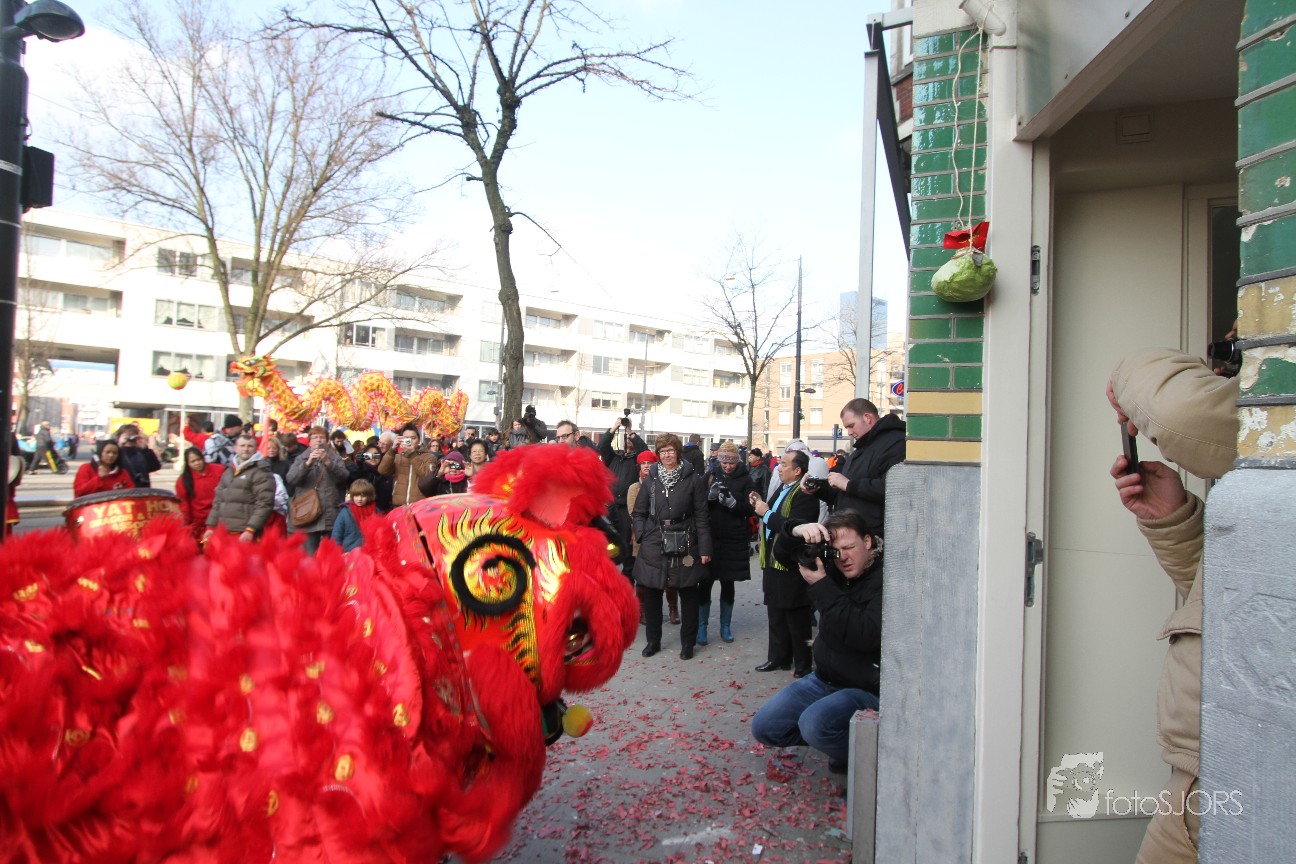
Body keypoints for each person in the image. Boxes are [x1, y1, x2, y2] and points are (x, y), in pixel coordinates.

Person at [1107, 347, 1237, 864]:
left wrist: (1127, 373)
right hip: (1201, 780)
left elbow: (1181, 413)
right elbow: (1228, 606)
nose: (1229, 373)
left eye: (1236, 352)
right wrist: (1173, 519)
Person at [751, 509, 883, 774]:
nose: (843, 558)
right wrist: (796, 530)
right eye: (836, 551)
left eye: (849, 548)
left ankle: (865, 758)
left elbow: (864, 634)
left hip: (864, 687)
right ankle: (842, 743)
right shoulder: (833, 565)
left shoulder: (885, 577)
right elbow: (785, 556)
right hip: (825, 678)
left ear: (868, 541)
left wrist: (822, 585)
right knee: (765, 727)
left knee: (814, 724)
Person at [631, 433, 713, 660]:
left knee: (688, 592)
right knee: (652, 591)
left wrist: (705, 549)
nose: (667, 455)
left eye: (670, 450)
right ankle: (653, 641)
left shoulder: (693, 479)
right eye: (662, 451)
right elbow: (639, 511)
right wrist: (642, 534)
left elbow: (702, 516)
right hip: (654, 539)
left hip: (685, 539)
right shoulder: (652, 478)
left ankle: (688, 643)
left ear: (678, 452)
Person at [751, 450, 822, 676]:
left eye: (783, 464)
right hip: (772, 560)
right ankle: (778, 657)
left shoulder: (805, 494)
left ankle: (802, 664)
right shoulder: (783, 488)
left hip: (790, 561)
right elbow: (770, 513)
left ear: (797, 470)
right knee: (776, 613)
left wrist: (766, 512)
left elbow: (794, 527)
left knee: (796, 615)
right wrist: (759, 504)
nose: (778, 468)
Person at [818, 398, 906, 535]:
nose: (849, 432)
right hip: (855, 532)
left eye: (851, 426)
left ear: (867, 418)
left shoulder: (895, 442)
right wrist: (819, 489)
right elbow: (846, 494)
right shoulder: (862, 448)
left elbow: (894, 488)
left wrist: (848, 484)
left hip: (873, 534)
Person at [699, 441, 756, 646]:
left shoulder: (746, 479)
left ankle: (725, 625)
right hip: (711, 536)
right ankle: (702, 626)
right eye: (724, 463)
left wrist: (734, 504)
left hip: (733, 537)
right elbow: (698, 503)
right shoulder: (710, 475)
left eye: (731, 463)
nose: (728, 466)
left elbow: (752, 507)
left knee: (727, 582)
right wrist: (710, 497)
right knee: (705, 581)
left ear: (737, 461)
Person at [285, 425, 350, 555]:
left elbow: (344, 477)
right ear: (309, 442)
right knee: (309, 554)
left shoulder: (335, 458)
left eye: (321, 437)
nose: (318, 440)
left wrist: (328, 463)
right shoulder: (301, 458)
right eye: (315, 438)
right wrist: (307, 464)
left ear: (327, 441)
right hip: (307, 511)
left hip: (329, 511)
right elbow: (291, 479)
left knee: (329, 554)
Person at [204, 434, 276, 543]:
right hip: (223, 531)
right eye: (242, 445)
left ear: (256, 449)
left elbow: (264, 503)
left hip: (244, 533)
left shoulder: (262, 471)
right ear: (235, 448)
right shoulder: (228, 471)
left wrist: (251, 529)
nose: (246, 449)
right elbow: (218, 501)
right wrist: (210, 526)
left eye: (250, 446)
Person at [599, 419, 649, 573]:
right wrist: (614, 427)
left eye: (630, 439)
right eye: (626, 439)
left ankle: (628, 575)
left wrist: (630, 431)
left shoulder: (636, 460)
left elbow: (644, 451)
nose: (628, 441)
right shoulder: (613, 457)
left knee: (627, 545)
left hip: (627, 509)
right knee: (608, 542)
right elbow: (602, 447)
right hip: (610, 508)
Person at [378, 424, 439, 508]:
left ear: (419, 440)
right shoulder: (397, 456)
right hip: (399, 504)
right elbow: (382, 470)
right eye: (406, 438)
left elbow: (427, 475)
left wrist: (412, 455)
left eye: (413, 438)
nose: (410, 441)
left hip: (420, 505)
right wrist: (392, 450)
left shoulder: (429, 457)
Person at [175, 446, 225, 540]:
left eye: (199, 459)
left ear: (203, 458)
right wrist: (186, 524)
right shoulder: (183, 480)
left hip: (220, 518)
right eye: (193, 461)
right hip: (199, 522)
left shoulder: (219, 470)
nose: (197, 463)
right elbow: (184, 504)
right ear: (187, 464)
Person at [330, 478, 378, 552]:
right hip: (349, 552)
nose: (359, 499)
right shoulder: (345, 512)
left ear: (369, 496)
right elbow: (336, 536)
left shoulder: (375, 511)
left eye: (363, 496)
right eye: (356, 496)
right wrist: (338, 553)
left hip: (370, 552)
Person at [114, 423, 162, 488]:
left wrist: (145, 449)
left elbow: (155, 466)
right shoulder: (116, 452)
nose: (130, 438)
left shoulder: (142, 452)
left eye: (133, 435)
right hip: (123, 488)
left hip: (141, 489)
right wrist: (119, 445)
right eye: (127, 435)